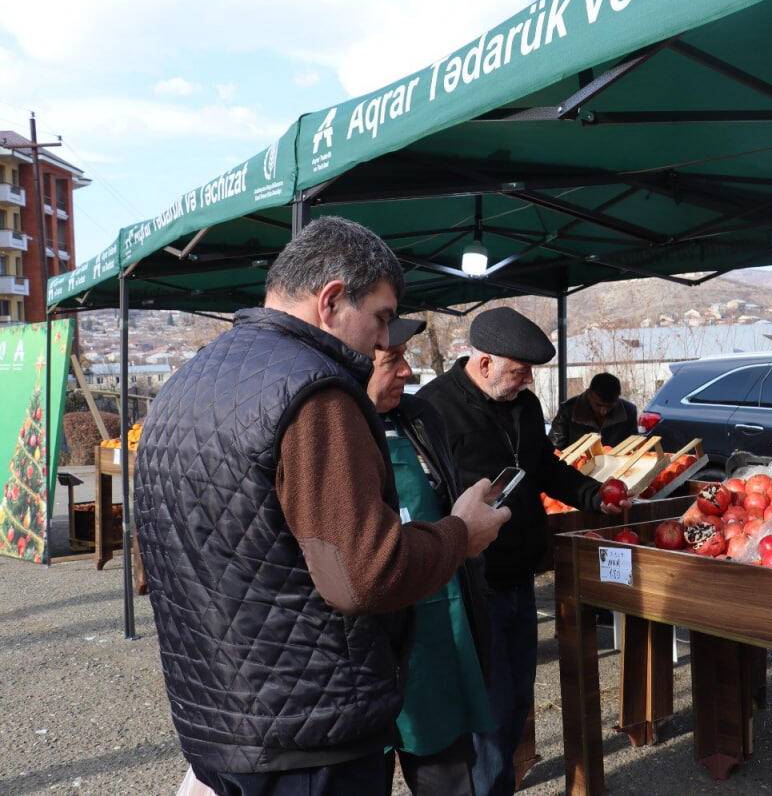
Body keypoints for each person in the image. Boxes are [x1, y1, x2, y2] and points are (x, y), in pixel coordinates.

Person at [133, 216, 509, 795]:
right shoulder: (317, 392)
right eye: (382, 317)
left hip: (216, 720)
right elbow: (365, 576)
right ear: (332, 299)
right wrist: (462, 532)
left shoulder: (186, 382)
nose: (385, 342)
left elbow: (154, 557)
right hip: (310, 736)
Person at [416, 307, 629, 796]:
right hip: (471, 586)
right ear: (484, 362)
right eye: (518, 370)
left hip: (519, 581)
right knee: (486, 715)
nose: (526, 380)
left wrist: (593, 497)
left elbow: (544, 469)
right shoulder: (433, 409)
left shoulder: (525, 406)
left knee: (515, 705)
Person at [368, 318, 494, 796]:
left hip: (437, 625)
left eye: (406, 357)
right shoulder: (328, 429)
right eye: (392, 360)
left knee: (447, 774)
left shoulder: (418, 418)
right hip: (366, 638)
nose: (407, 371)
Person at [548, 371, 639, 449]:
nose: (603, 411)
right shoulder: (568, 410)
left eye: (610, 406)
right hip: (575, 467)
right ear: (589, 394)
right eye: (598, 405)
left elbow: (634, 446)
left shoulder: (629, 411)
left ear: (618, 397)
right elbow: (553, 449)